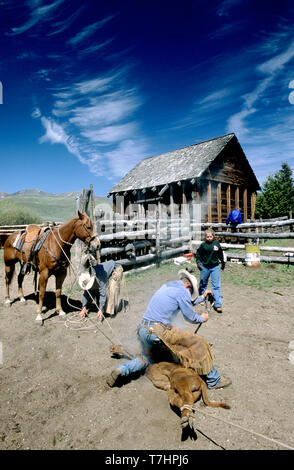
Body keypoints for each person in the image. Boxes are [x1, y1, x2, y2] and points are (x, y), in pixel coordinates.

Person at [107, 269, 231, 390]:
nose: (190, 293)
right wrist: (202, 318)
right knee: (198, 344)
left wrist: (202, 297)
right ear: (188, 285)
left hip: (144, 329)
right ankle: (214, 380)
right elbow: (190, 317)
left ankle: (123, 369)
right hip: (157, 332)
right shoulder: (182, 292)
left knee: (148, 357)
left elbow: (186, 302)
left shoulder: (168, 287)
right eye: (191, 290)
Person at [78, 253, 123, 320]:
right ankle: (100, 307)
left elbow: (102, 294)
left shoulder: (99, 278)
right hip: (104, 272)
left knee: (112, 289)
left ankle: (110, 312)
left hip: (116, 268)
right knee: (92, 290)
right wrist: (83, 307)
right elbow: (86, 293)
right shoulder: (88, 275)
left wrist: (101, 310)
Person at [195, 229, 225, 313]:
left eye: (210, 236)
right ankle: (202, 298)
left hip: (215, 266)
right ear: (205, 237)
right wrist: (198, 262)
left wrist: (223, 262)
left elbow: (220, 253)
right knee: (203, 283)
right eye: (207, 237)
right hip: (205, 267)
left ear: (213, 236)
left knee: (216, 285)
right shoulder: (203, 245)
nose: (209, 238)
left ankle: (218, 304)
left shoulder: (216, 244)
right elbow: (198, 254)